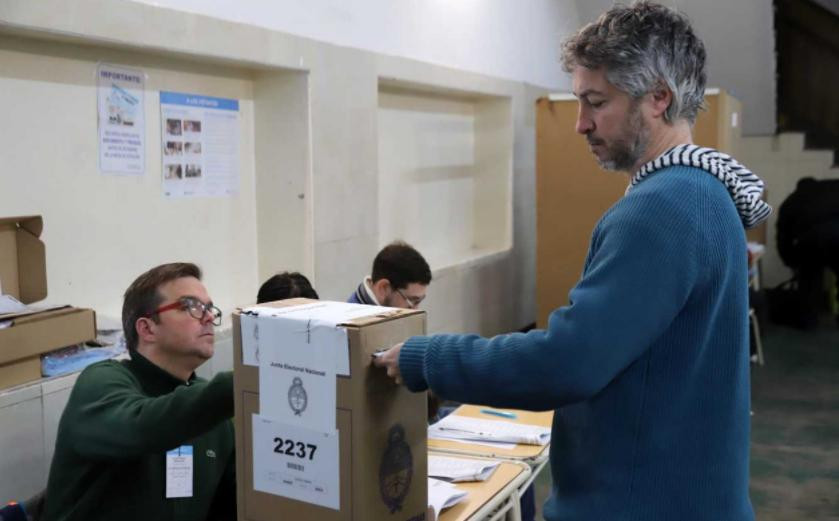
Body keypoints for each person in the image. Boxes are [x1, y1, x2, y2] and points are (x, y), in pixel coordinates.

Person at [375, 3, 772, 520]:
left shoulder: (662, 209)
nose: (581, 124)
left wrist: (424, 359)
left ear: (659, 98)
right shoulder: (708, 193)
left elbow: (564, 363)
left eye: (596, 102)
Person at [42, 263, 235, 521]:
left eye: (209, 308)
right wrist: (241, 383)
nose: (209, 317)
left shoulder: (216, 419)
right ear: (147, 328)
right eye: (191, 306)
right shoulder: (101, 382)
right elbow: (143, 426)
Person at [347, 241, 430, 309]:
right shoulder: (355, 325)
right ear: (383, 288)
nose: (416, 310)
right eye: (412, 301)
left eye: (419, 301)